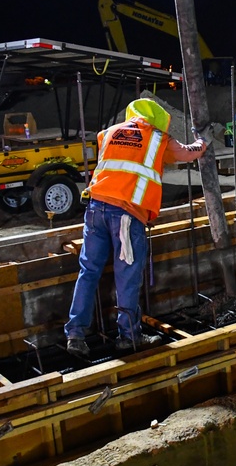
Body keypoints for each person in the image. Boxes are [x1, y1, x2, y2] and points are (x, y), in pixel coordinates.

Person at [65, 96, 207, 358]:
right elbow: (189, 153)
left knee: (88, 272)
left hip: (95, 209)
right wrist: (203, 141)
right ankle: (128, 338)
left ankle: (75, 335)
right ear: (157, 120)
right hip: (126, 216)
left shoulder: (108, 133)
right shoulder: (157, 138)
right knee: (127, 277)